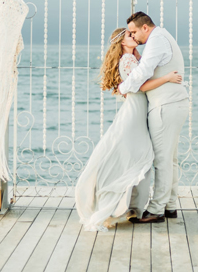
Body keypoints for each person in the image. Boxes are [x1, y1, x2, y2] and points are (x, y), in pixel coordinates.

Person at [74, 28, 183, 231]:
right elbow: (141, 86)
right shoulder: (127, 59)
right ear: (122, 43)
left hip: (139, 108)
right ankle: (130, 206)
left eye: (133, 34)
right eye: (128, 36)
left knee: (139, 156)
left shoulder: (133, 58)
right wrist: (167, 78)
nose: (133, 37)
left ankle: (133, 207)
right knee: (140, 155)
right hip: (136, 110)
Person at [120, 12, 189, 224]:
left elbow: (142, 73)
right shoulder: (161, 37)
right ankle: (170, 206)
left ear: (145, 28)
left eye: (133, 31)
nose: (132, 35)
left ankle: (157, 209)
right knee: (170, 159)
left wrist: (122, 87)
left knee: (162, 160)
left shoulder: (156, 41)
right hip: (173, 104)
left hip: (165, 106)